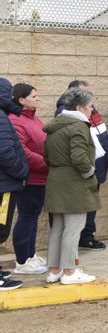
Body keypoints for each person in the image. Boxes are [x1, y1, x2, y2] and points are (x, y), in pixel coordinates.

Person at [43, 88, 101, 285]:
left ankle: (54, 270)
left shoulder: (55, 126)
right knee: (73, 229)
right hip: (74, 183)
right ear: (79, 107)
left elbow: (47, 157)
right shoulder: (77, 126)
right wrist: (89, 172)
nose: (92, 111)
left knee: (58, 228)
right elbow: (79, 158)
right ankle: (69, 272)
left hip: (56, 180)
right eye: (90, 106)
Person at [55, 80, 108, 251]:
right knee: (83, 207)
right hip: (86, 169)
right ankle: (83, 238)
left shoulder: (90, 109)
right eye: (86, 93)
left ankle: (87, 236)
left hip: (97, 166)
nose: (90, 99)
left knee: (91, 205)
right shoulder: (66, 113)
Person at [9, 84, 49, 275]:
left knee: (32, 217)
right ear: (21, 100)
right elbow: (23, 152)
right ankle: (22, 261)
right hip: (29, 178)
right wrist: (47, 163)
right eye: (34, 96)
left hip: (41, 177)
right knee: (26, 217)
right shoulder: (15, 121)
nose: (38, 98)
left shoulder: (33, 118)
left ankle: (31, 255)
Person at [0, 78, 28, 291]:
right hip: (4, 186)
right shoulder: (1, 117)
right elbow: (5, 153)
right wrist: (21, 172)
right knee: (0, 228)